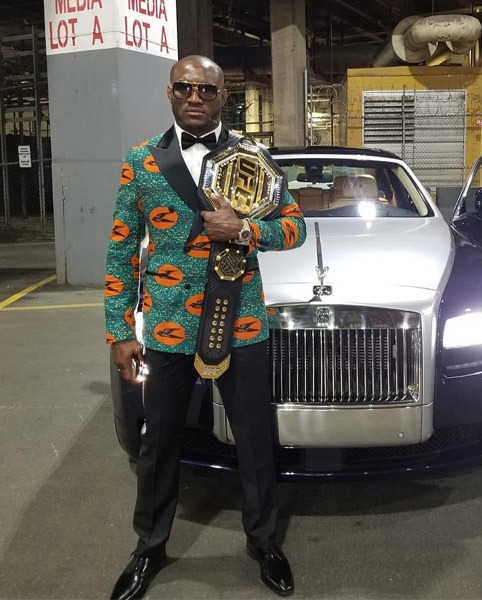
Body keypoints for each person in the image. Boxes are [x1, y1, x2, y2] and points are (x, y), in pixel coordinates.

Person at [104, 55, 306, 599]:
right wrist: (120, 331)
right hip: (167, 328)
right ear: (170, 93)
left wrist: (245, 229)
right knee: (158, 443)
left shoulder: (252, 157)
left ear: (223, 97)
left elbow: (296, 229)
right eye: (185, 88)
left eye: (207, 90)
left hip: (241, 324)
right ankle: (149, 547)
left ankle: (264, 540)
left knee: (255, 440)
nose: (195, 97)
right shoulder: (142, 161)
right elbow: (122, 250)